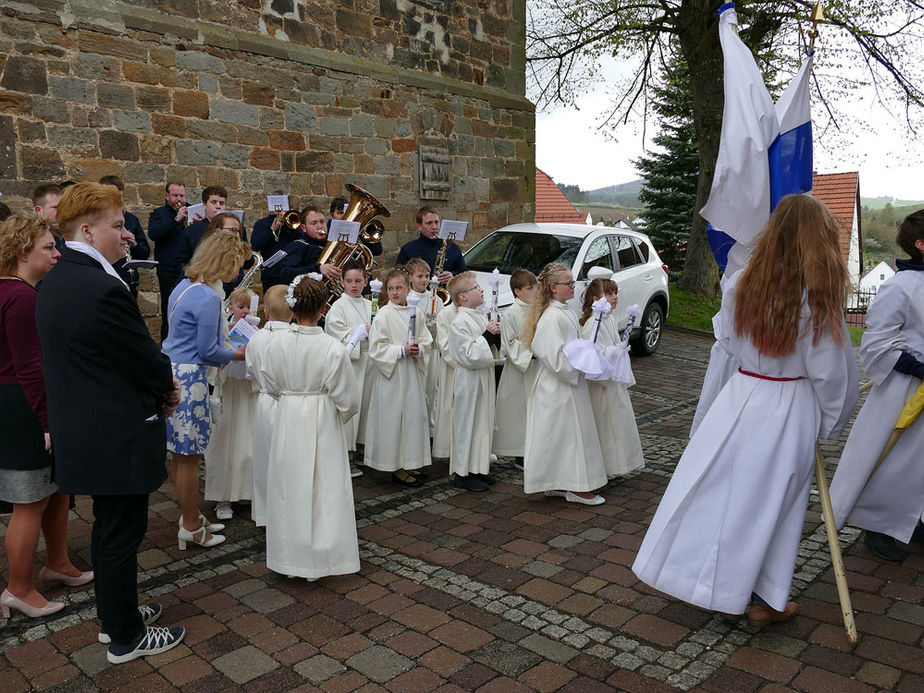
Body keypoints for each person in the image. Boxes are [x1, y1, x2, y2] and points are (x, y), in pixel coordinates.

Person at [632, 194, 858, 625]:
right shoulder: (817, 296)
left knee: (724, 492)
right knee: (775, 502)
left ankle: (713, 583)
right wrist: (829, 422)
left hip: (740, 396)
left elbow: (731, 344)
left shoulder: (741, 283)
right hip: (788, 404)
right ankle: (763, 598)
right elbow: (832, 373)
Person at [35, 182, 185, 663]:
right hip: (113, 431)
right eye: (118, 226)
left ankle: (116, 615)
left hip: (89, 427)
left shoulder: (61, 278)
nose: (128, 237)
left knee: (109, 530)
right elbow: (140, 353)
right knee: (121, 532)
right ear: (86, 230)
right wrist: (166, 386)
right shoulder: (98, 285)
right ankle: (126, 636)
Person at [0, 214, 92, 620]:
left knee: (57, 490)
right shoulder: (21, 299)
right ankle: (18, 588)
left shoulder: (17, 292)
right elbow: (29, 369)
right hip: (23, 408)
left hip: (24, 403)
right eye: (48, 248)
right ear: (22, 252)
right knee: (30, 501)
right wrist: (48, 422)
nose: (57, 254)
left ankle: (57, 564)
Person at [830, 209, 924, 562]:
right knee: (892, 459)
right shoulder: (899, 286)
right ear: (921, 244)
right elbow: (877, 344)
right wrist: (920, 368)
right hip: (904, 389)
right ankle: (878, 525)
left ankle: (915, 520)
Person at [260, 275, 361, 579]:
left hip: (289, 415)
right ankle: (320, 558)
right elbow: (348, 399)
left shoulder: (276, 343)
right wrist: (335, 414)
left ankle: (291, 559)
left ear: (293, 308)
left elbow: (269, 383)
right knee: (323, 488)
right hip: (322, 418)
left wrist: (291, 398)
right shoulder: (332, 348)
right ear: (323, 307)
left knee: (289, 486)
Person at [162, 231, 250, 550]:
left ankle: (193, 514)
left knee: (180, 455)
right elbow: (209, 349)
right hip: (191, 377)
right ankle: (189, 524)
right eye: (236, 264)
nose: (237, 272)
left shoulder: (184, 285)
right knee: (189, 456)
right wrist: (237, 353)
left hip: (173, 370)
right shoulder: (210, 296)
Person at [521, 263, 607, 505]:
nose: (573, 287)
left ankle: (560, 481)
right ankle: (574, 486)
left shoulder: (564, 310)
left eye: (573, 282)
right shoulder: (551, 317)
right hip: (557, 385)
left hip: (569, 382)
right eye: (568, 283)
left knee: (566, 434)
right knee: (567, 435)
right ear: (553, 288)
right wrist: (577, 365)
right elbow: (551, 354)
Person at [365, 268, 433, 486]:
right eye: (391, 288)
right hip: (392, 376)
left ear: (407, 288)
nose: (395, 292)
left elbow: (426, 340)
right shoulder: (384, 314)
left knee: (412, 418)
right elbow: (376, 348)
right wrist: (400, 351)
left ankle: (411, 460)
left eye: (399, 288)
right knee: (394, 420)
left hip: (411, 374)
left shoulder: (417, 312)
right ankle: (395, 467)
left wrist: (419, 349)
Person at [579, 278, 645, 478]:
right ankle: (604, 467)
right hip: (601, 385)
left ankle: (616, 465)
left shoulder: (608, 320)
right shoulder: (593, 325)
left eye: (615, 293)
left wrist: (620, 350)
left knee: (617, 424)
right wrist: (612, 352)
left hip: (613, 381)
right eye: (609, 294)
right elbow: (591, 353)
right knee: (605, 426)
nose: (615, 297)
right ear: (595, 299)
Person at [204, 286, 259, 522]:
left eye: (249, 307)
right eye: (240, 306)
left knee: (247, 443)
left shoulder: (258, 331)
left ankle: (244, 490)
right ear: (231, 308)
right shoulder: (224, 329)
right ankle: (222, 496)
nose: (245, 311)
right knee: (224, 443)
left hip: (247, 393)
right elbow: (216, 358)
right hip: (228, 391)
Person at [446, 272, 500, 492]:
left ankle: (477, 468)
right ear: (463, 297)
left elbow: (492, 348)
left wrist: (496, 336)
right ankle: (462, 473)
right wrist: (487, 336)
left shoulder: (478, 316)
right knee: (467, 424)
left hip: (482, 377)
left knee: (481, 423)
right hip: (468, 380)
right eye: (476, 287)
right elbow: (467, 354)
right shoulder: (459, 322)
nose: (481, 290)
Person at [245, 284, 292, 528]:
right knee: (286, 460)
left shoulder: (257, 339)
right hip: (288, 403)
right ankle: (286, 512)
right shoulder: (294, 339)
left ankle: (264, 513)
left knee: (263, 458)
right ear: (293, 312)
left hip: (263, 402)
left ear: (265, 312)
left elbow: (251, 370)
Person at [324, 260, 373, 478]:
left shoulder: (371, 305)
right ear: (342, 281)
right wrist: (357, 333)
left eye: (358, 281)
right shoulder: (338, 307)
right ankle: (347, 454)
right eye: (349, 281)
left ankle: (363, 447)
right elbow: (335, 334)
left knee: (367, 406)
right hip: (351, 365)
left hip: (369, 363)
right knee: (351, 407)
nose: (354, 285)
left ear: (366, 281)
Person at [493, 270, 537, 468]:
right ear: (517, 291)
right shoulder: (511, 313)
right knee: (519, 411)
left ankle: (535, 449)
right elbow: (510, 343)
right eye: (530, 288)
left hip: (537, 368)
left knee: (534, 410)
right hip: (520, 369)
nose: (535, 291)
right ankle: (520, 454)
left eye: (535, 287)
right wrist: (533, 351)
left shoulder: (538, 309)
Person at [148, 181, 189, 341]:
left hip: (190, 269)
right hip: (168, 270)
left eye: (182, 195)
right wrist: (175, 220)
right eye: (175, 195)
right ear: (167, 196)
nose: (179, 199)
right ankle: (166, 352)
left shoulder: (192, 210)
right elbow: (154, 234)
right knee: (170, 311)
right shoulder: (158, 214)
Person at [99, 176, 151, 296]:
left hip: (128, 282)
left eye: (120, 199)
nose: (118, 204)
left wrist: (134, 244)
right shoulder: (96, 221)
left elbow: (145, 253)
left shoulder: (131, 219)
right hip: (105, 280)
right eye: (113, 199)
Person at [406, 257, 442, 430]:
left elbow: (441, 326)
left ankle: (430, 431)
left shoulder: (437, 300)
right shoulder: (406, 299)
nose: (424, 280)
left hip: (433, 351)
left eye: (427, 276)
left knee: (432, 390)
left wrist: (435, 326)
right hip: (415, 352)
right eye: (420, 276)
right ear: (410, 278)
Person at [270, 205, 341, 288]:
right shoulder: (298, 246)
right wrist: (318, 269)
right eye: (314, 223)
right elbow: (285, 273)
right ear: (303, 228)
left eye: (322, 222)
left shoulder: (331, 244)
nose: (320, 226)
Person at [395, 206, 466, 282]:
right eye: (429, 223)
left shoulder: (452, 247)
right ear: (419, 227)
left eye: (436, 222)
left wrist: (453, 275)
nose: (434, 227)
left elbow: (464, 273)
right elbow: (399, 276)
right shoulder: (408, 249)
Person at [176, 186, 236, 269]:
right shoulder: (191, 231)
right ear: (204, 205)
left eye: (221, 203)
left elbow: (247, 262)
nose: (218, 206)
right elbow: (180, 262)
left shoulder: (235, 228)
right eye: (213, 202)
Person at [431, 300, 458, 460]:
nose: (481, 291)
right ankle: (447, 448)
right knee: (448, 406)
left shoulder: (478, 313)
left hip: (471, 366)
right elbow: (445, 344)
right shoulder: (447, 314)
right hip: (453, 367)